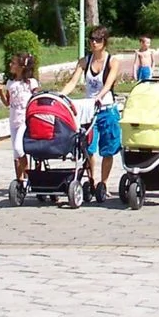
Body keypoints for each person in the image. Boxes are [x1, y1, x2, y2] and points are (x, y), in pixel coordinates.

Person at [59, 26, 122, 203]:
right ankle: (92, 181)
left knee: (108, 149)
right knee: (89, 148)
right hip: (89, 111)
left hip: (106, 108)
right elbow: (72, 82)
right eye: (92, 39)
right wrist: (60, 96)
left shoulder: (112, 61)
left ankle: (104, 183)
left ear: (104, 42)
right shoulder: (84, 61)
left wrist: (99, 97)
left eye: (98, 40)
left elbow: (108, 84)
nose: (94, 43)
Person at [0, 50, 38, 186]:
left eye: (14, 63)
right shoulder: (10, 83)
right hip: (14, 120)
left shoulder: (31, 83)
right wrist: (0, 93)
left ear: (22, 67)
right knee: (16, 153)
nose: (10, 65)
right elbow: (8, 103)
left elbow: (36, 99)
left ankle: (29, 177)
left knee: (19, 148)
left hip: (25, 120)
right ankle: (19, 180)